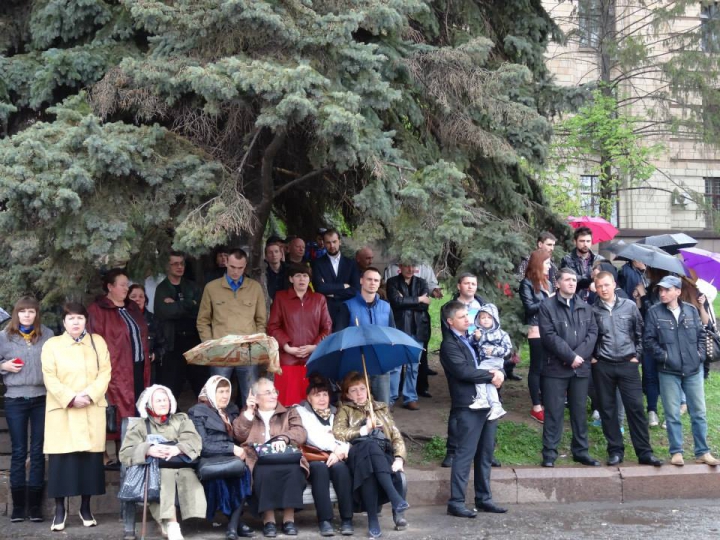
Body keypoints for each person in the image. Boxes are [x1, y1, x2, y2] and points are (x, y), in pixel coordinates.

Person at [41, 302, 112, 532]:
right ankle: (60, 510)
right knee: (62, 462)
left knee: (89, 462)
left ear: (85, 320)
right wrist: (71, 397)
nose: (75, 322)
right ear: (64, 322)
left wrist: (90, 395)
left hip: (91, 408)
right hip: (63, 410)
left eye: (79, 318)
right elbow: (49, 376)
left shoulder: (97, 342)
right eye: (70, 318)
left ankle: (85, 507)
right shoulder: (52, 345)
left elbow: (105, 372)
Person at [644, 275, 720, 467]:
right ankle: (676, 452)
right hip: (668, 370)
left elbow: (702, 334)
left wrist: (699, 355)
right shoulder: (654, 312)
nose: (662, 293)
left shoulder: (691, 310)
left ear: (677, 291)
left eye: (667, 290)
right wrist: (665, 357)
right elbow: (648, 341)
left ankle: (702, 452)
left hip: (693, 369)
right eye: (660, 290)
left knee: (699, 413)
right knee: (672, 414)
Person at [439, 301, 506, 518]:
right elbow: (463, 372)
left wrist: (498, 372)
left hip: (486, 402)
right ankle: (456, 502)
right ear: (450, 321)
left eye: (468, 315)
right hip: (468, 405)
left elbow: (490, 358)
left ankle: (484, 498)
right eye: (462, 317)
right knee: (464, 454)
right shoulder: (449, 345)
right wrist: (491, 375)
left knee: (485, 454)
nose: (468, 319)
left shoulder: (471, 339)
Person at [590, 272, 663, 467]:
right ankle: (615, 451)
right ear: (595, 288)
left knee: (636, 408)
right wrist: (594, 358)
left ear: (614, 284)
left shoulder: (629, 306)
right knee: (608, 409)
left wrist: (636, 356)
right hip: (603, 365)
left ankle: (644, 452)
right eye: (599, 286)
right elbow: (590, 337)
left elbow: (640, 333)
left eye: (607, 285)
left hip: (627, 364)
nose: (604, 289)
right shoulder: (593, 310)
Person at [119, 385, 206, 540]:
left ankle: (168, 524)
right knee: (164, 477)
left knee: (182, 475)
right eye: (158, 400)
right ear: (149, 403)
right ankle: (172, 524)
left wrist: (178, 449)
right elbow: (125, 453)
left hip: (180, 467)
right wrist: (147, 450)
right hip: (153, 472)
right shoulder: (140, 425)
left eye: (165, 399)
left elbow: (194, 440)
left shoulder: (181, 420)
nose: (163, 403)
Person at [333, 372, 409, 538]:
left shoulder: (380, 408)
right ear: (347, 394)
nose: (359, 393)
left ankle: (373, 521)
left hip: (381, 455)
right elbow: (338, 434)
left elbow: (395, 435)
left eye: (362, 389)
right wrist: (364, 430)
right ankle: (394, 497)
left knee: (370, 465)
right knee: (368, 445)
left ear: (368, 390)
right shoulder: (345, 410)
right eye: (354, 390)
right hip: (356, 455)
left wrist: (398, 458)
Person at [232, 378, 309, 538]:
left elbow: (300, 433)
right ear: (255, 396)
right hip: (258, 459)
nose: (274, 395)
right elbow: (239, 435)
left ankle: (289, 520)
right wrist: (248, 412)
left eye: (275, 391)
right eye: (268, 392)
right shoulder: (247, 414)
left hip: (286, 457)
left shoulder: (289, 412)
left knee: (294, 471)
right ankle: (269, 520)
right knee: (262, 472)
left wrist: (284, 438)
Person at [538, 268, 599, 468]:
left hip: (580, 369)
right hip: (555, 368)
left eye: (574, 280)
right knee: (554, 412)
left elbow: (592, 333)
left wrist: (578, 356)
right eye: (567, 280)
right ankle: (549, 453)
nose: (572, 283)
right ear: (557, 283)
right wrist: (570, 356)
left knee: (579, 412)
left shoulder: (585, 307)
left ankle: (581, 451)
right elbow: (548, 336)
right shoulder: (547, 306)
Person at [88, 268, 151, 464]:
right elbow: (93, 343)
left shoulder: (131, 308)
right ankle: (114, 457)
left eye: (127, 283)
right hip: (115, 371)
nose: (126, 288)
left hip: (139, 367)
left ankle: (131, 455)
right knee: (118, 413)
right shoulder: (97, 310)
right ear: (110, 287)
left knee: (136, 410)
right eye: (122, 284)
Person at [0, 296, 54, 522]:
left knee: (39, 450)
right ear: (16, 314)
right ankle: (18, 507)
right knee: (20, 451)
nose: (27, 315)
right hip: (15, 399)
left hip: (42, 398)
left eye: (31, 312)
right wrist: (2, 365)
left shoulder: (47, 335)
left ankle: (35, 507)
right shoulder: (4, 337)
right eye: (23, 312)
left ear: (36, 314)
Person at [198, 248, 267, 407]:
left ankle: (249, 428)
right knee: (218, 395)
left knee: (250, 394)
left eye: (240, 268)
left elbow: (261, 320)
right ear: (226, 263)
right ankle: (218, 428)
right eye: (232, 267)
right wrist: (210, 345)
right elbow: (203, 320)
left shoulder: (255, 287)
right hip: (221, 351)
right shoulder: (212, 288)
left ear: (245, 267)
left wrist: (256, 345)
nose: (236, 271)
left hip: (247, 351)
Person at [188, 376, 254, 540]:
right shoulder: (197, 412)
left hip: (232, 459)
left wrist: (249, 411)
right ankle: (236, 524)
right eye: (220, 391)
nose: (225, 396)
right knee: (220, 480)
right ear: (211, 392)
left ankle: (232, 526)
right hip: (210, 459)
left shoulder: (230, 410)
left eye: (227, 391)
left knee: (244, 473)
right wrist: (231, 448)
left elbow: (240, 436)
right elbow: (203, 445)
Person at [295, 375, 354, 537]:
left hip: (335, 456)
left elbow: (347, 437)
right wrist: (335, 447)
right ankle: (325, 520)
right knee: (320, 470)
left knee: (341, 470)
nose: (321, 399)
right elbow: (312, 436)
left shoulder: (337, 414)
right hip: (313, 456)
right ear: (308, 398)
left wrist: (340, 451)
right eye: (317, 395)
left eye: (325, 394)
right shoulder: (301, 412)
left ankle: (347, 519)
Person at [268, 264, 332, 406]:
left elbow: (327, 328)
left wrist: (314, 347)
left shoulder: (319, 299)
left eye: (305, 276)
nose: (301, 279)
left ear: (309, 279)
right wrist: (287, 346)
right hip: (288, 359)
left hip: (313, 359)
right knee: (288, 402)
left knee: (313, 402)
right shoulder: (281, 297)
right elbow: (273, 327)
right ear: (291, 279)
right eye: (297, 275)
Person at [441, 273, 487, 468]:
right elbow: (460, 367)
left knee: (485, 412)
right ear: (459, 285)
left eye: (474, 283)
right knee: (459, 412)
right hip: (463, 372)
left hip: (479, 364)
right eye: (467, 283)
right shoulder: (449, 311)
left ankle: (485, 452)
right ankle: (453, 451)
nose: (470, 286)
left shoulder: (482, 305)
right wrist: (490, 376)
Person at [336, 267, 395, 404]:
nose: (372, 283)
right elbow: (340, 336)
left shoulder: (386, 307)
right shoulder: (348, 306)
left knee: (382, 406)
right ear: (361, 280)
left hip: (380, 363)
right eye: (369, 279)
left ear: (379, 283)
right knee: (356, 406)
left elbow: (392, 333)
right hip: (356, 363)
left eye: (376, 280)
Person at [154, 251, 205, 398]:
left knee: (200, 383)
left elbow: (199, 310)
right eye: (175, 264)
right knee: (171, 385)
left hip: (193, 340)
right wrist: (189, 304)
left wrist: (177, 304)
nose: (179, 267)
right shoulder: (162, 288)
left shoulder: (192, 286)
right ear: (167, 267)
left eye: (181, 263)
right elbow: (165, 313)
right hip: (172, 342)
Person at [386, 263, 431, 411]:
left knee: (414, 366)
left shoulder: (422, 282)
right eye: (407, 266)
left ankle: (410, 397)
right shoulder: (392, 282)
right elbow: (396, 302)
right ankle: (391, 398)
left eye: (413, 267)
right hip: (399, 327)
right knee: (396, 366)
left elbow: (425, 306)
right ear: (400, 267)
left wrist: (406, 300)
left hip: (418, 328)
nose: (410, 270)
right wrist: (418, 299)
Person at [519, 249, 554, 424]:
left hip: (550, 329)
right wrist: (547, 300)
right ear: (539, 264)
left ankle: (547, 401)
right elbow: (529, 308)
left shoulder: (548, 282)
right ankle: (536, 407)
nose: (550, 266)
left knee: (549, 367)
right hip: (536, 328)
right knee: (537, 367)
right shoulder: (527, 283)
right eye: (547, 263)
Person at [311, 229, 360, 331]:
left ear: (340, 241)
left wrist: (333, 293)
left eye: (334, 242)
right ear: (324, 243)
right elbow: (320, 288)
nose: (332, 246)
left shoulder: (351, 263)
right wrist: (343, 286)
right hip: (326, 311)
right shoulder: (317, 263)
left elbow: (355, 290)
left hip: (347, 309)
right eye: (328, 242)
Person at [469, 304, 511, 420]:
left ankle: (482, 399)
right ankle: (496, 406)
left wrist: (494, 351)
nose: (486, 320)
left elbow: (507, 350)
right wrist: (476, 338)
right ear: (478, 320)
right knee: (489, 383)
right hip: (484, 360)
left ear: (495, 319)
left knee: (478, 374)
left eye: (489, 317)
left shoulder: (501, 334)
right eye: (483, 317)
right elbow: (470, 344)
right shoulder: (478, 332)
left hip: (494, 361)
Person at [129, 284, 165, 384]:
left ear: (145, 299)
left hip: (148, 366)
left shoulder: (153, 319)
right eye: (133, 296)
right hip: (127, 366)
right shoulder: (121, 319)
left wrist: (155, 355)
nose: (137, 299)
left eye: (141, 296)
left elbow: (162, 344)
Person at [560, 226, 601, 301]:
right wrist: (590, 280)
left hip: (595, 300)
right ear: (575, 242)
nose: (585, 244)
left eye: (588, 241)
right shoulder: (567, 259)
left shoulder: (598, 259)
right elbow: (571, 278)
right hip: (574, 299)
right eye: (582, 241)